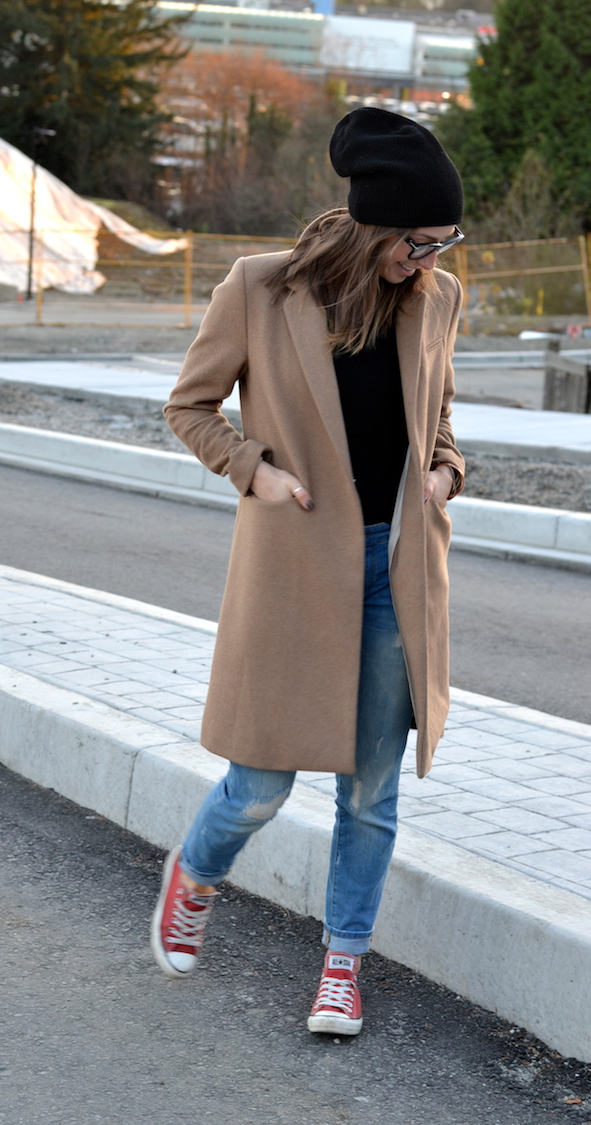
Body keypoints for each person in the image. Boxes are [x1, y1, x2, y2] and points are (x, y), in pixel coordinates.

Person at [150, 107, 466, 1037]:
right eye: (422, 242)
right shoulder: (259, 289)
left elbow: (440, 422)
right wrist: (259, 470)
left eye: (446, 243)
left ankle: (342, 966)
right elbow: (190, 405)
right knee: (261, 785)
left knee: (369, 792)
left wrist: (447, 475)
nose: (434, 259)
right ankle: (195, 875)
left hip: (392, 571)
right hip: (293, 569)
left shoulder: (436, 298)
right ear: (379, 226)